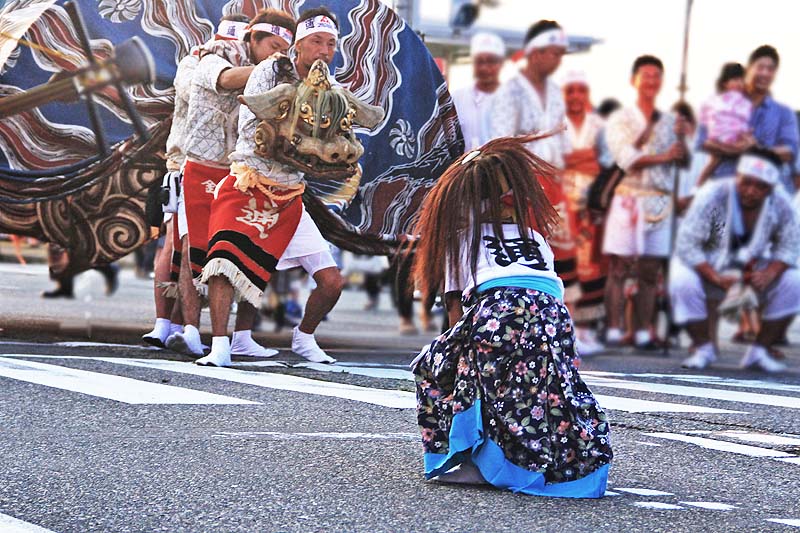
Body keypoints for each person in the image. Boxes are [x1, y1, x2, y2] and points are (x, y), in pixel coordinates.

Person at [410, 134, 612, 498]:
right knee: (544, 392)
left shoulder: (460, 237)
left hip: (499, 310)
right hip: (553, 316)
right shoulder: (533, 235)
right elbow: (549, 290)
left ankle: (474, 459)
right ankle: (551, 460)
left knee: (440, 370)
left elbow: (457, 311)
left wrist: (461, 359)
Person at [196, 8, 384, 367]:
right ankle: (221, 344)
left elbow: (343, 133)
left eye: (331, 44)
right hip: (250, 181)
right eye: (316, 41)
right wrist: (296, 137)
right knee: (224, 264)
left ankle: (304, 337)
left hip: (289, 194)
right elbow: (254, 125)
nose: (324, 50)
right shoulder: (270, 70)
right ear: (299, 45)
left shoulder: (330, 85)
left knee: (331, 281)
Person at [166, 10, 293, 358]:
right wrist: (274, 71)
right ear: (250, 39)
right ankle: (191, 330)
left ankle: (242, 335)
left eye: (284, 47)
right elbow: (225, 79)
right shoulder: (209, 59)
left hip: (242, 170)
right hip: (201, 167)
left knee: (245, 251)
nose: (277, 53)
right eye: (272, 44)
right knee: (196, 249)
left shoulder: (276, 74)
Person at [671, 148, 800, 372]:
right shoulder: (712, 193)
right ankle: (703, 347)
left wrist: (771, 272)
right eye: (746, 182)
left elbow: (791, 245)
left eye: (760, 187)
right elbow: (687, 244)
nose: (751, 191)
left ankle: (759, 351)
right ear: (737, 176)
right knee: (681, 278)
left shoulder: (781, 201)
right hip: (710, 266)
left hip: (756, 268)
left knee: (794, 280)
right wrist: (715, 277)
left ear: (770, 188)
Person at [488, 20, 580, 312]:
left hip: (554, 186)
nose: (558, 60)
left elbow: (564, 143)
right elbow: (501, 144)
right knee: (526, 253)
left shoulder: (555, 92)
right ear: (536, 52)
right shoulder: (510, 92)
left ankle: (554, 317)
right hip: (521, 186)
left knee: (557, 256)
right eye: (554, 53)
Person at [602, 55, 687, 350]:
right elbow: (626, 159)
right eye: (645, 75)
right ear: (634, 79)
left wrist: (682, 141)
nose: (651, 81)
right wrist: (665, 156)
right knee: (619, 267)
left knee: (650, 270)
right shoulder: (620, 118)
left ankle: (642, 329)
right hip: (628, 198)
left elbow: (680, 163)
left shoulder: (670, 121)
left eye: (656, 76)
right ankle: (614, 328)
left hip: (659, 201)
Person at [696, 46, 798, 191]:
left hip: (765, 193)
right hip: (724, 188)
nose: (765, 73)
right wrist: (733, 149)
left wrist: (756, 148)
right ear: (748, 69)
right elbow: (702, 141)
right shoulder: (722, 103)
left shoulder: (785, 113)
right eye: (760, 67)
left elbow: (790, 152)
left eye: (770, 69)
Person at [562, 70, 606, 354]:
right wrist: (582, 159)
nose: (576, 96)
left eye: (581, 90)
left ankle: (587, 330)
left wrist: (574, 161)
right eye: (570, 91)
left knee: (591, 265)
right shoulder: (555, 122)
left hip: (591, 203)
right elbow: (555, 160)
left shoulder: (599, 125)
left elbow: (604, 163)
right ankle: (566, 327)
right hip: (561, 201)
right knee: (566, 266)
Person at [694, 62, 751, 187]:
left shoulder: (749, 106)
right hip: (718, 174)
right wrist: (728, 149)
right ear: (724, 83)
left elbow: (752, 143)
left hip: (743, 177)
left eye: (742, 79)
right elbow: (701, 141)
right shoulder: (711, 104)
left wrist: (741, 146)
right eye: (735, 79)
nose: (740, 83)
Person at [451, 32, 505, 152]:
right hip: (465, 168)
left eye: (491, 61)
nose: (484, 67)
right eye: (479, 61)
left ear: (501, 64)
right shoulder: (456, 98)